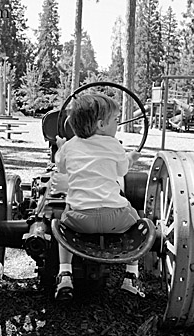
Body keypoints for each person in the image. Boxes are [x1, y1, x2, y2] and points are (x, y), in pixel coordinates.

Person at [54, 93, 144, 300]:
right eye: (115, 120)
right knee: (139, 220)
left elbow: (61, 166)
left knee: (61, 226)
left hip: (80, 220)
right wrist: (130, 158)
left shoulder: (70, 146)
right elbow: (122, 172)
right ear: (102, 124)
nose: (117, 124)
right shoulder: (114, 145)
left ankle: (65, 273)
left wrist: (60, 148)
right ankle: (131, 275)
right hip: (117, 218)